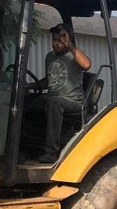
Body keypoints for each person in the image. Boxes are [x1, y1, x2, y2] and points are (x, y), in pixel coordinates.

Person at [28, 23, 92, 163]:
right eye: (54, 40)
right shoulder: (49, 57)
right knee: (24, 101)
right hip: (52, 97)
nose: (55, 44)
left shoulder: (74, 55)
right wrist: (31, 85)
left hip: (72, 102)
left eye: (59, 41)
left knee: (54, 102)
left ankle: (51, 152)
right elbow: (49, 80)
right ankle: (25, 146)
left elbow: (87, 64)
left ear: (67, 40)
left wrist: (70, 46)